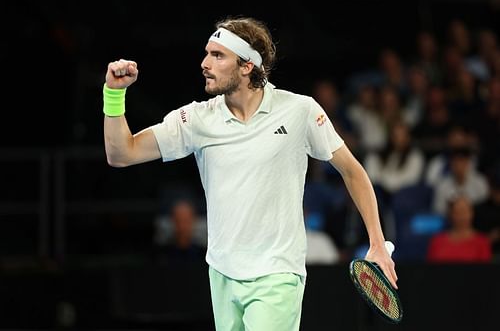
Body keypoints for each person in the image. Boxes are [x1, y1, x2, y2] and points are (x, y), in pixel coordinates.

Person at [102, 16, 397, 331]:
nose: (204, 63)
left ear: (246, 66)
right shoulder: (196, 119)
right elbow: (122, 153)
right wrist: (113, 95)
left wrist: (377, 243)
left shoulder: (300, 111)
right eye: (207, 53)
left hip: (277, 274)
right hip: (222, 273)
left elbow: (352, 172)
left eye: (218, 55)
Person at [427, 195, 492, 263]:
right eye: (457, 212)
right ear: (450, 215)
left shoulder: (482, 242)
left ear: (472, 214)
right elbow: (431, 269)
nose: (461, 216)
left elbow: (485, 271)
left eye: (464, 212)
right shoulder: (437, 241)